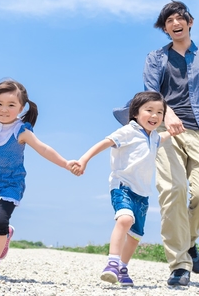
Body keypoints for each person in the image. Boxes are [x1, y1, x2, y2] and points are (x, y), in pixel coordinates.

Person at [114, 0, 199, 286]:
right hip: (164, 132)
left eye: (179, 18)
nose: (175, 23)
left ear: (190, 21)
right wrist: (168, 114)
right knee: (173, 191)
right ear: (164, 28)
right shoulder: (155, 58)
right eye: (168, 21)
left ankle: (188, 240)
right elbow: (151, 93)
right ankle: (179, 265)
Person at [0, 79, 79, 283]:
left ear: (21, 108)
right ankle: (6, 233)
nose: (4, 109)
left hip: (9, 184)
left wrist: (66, 163)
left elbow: (44, 149)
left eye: (11, 105)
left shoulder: (21, 131)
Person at [72, 91, 171, 287]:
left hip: (142, 193)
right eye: (149, 110)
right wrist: (84, 160)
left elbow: (164, 138)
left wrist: (177, 130)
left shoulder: (153, 136)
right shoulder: (128, 131)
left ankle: (123, 267)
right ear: (135, 113)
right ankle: (112, 263)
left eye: (160, 112)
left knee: (135, 236)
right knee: (125, 219)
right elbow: (104, 143)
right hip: (122, 186)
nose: (155, 116)